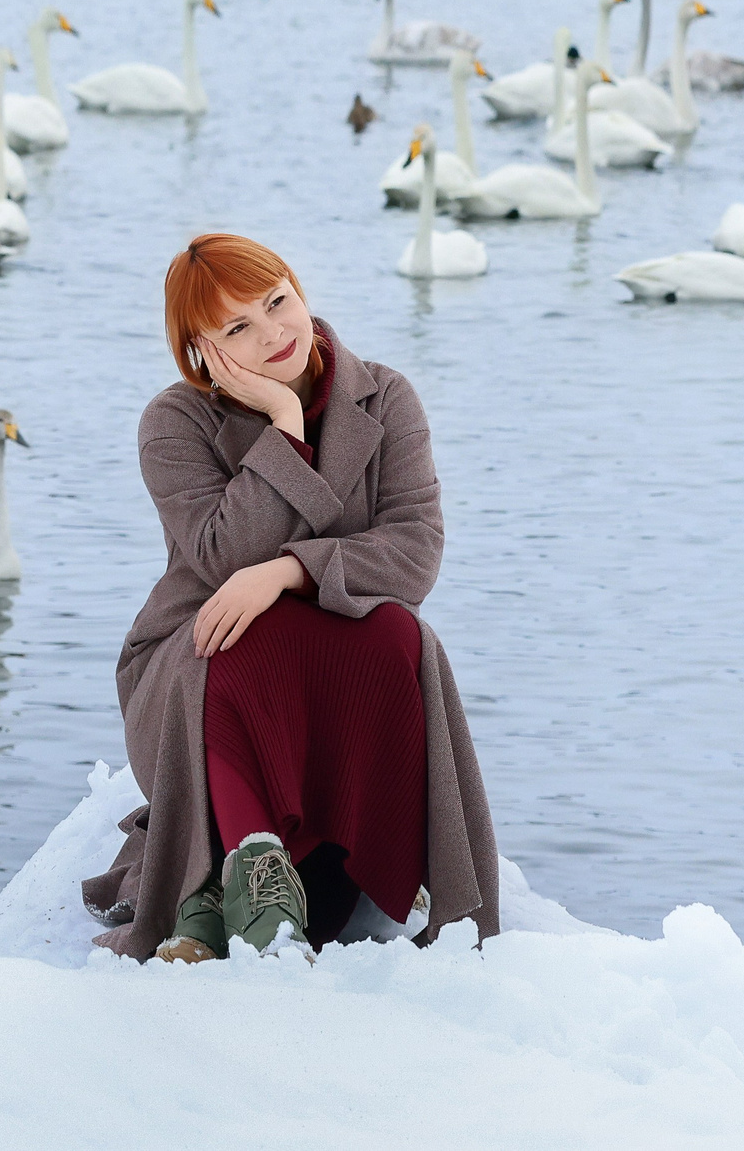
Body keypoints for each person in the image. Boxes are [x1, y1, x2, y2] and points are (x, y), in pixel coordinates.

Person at [82, 233, 500, 960]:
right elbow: (219, 560)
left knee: (400, 634)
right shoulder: (175, 422)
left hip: (335, 670)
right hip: (204, 653)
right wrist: (284, 425)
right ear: (201, 352)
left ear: (300, 290)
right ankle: (253, 872)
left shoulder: (386, 396)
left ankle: (236, 895)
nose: (275, 332)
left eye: (278, 301)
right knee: (241, 633)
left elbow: (416, 550)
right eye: (238, 327)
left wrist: (288, 572)